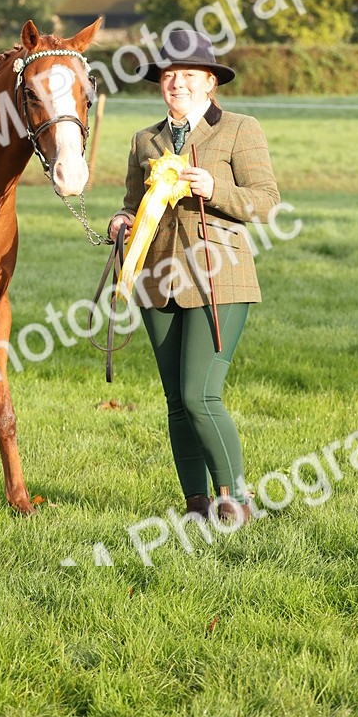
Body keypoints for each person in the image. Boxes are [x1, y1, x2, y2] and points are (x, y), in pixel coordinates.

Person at [109, 29, 280, 524]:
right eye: (168, 75)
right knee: (175, 402)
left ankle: (236, 501)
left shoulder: (240, 130)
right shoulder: (146, 140)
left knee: (199, 394)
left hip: (218, 278)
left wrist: (215, 187)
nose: (175, 83)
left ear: (209, 82)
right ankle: (195, 504)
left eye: (186, 75)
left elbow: (265, 201)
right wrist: (120, 221)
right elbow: (129, 203)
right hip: (157, 279)